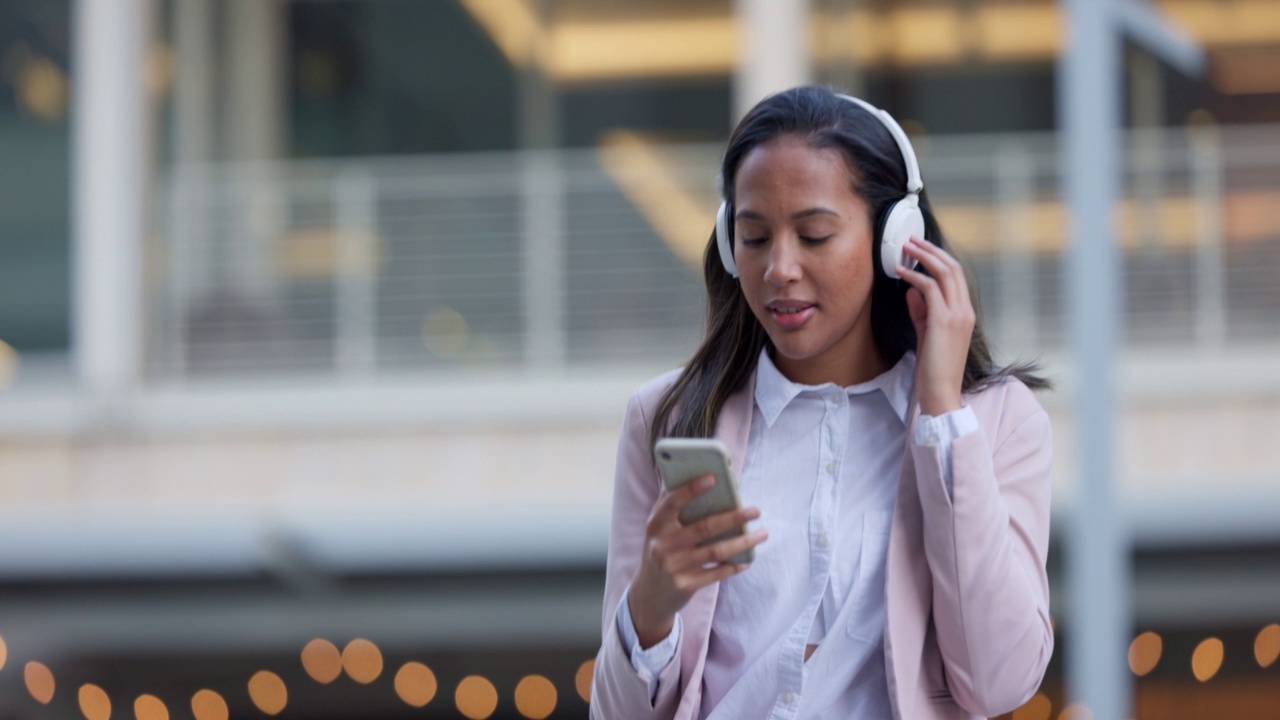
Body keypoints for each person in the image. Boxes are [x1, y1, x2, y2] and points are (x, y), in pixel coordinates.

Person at [590, 86, 1054, 720]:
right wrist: (649, 607)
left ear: (897, 239)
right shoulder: (666, 418)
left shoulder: (999, 423)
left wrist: (943, 412)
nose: (779, 268)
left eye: (813, 235)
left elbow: (1000, 681)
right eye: (754, 238)